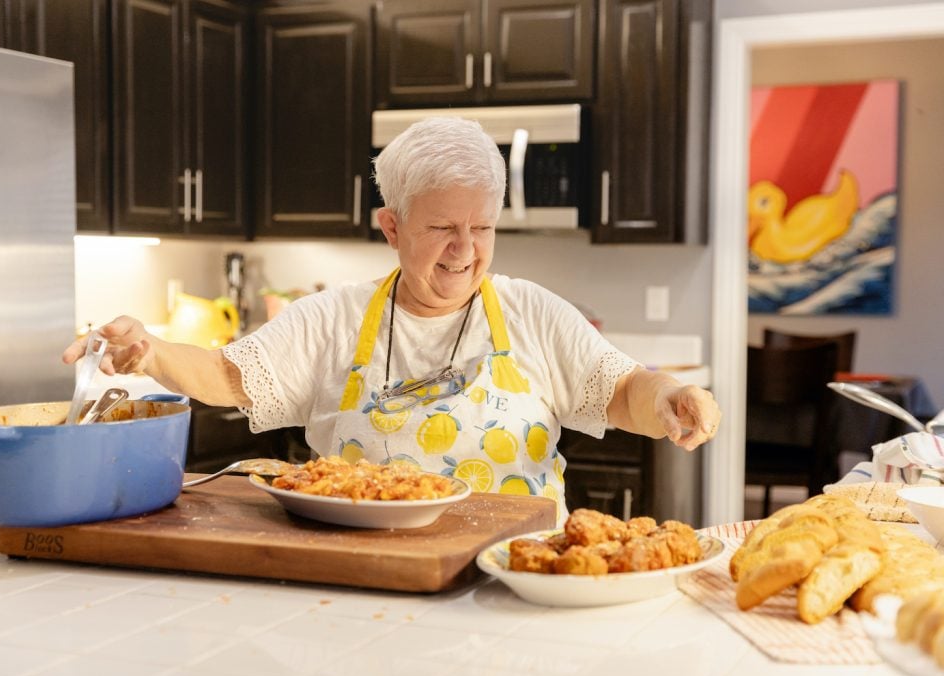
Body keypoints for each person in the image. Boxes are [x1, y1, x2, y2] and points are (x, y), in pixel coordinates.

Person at [63, 116, 721, 515]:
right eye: (442, 227)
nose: (466, 250)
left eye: (482, 227)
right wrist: (150, 350)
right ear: (391, 226)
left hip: (514, 584)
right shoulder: (332, 318)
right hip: (355, 578)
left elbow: (626, 388)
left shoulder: (535, 315)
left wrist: (671, 397)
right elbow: (229, 375)